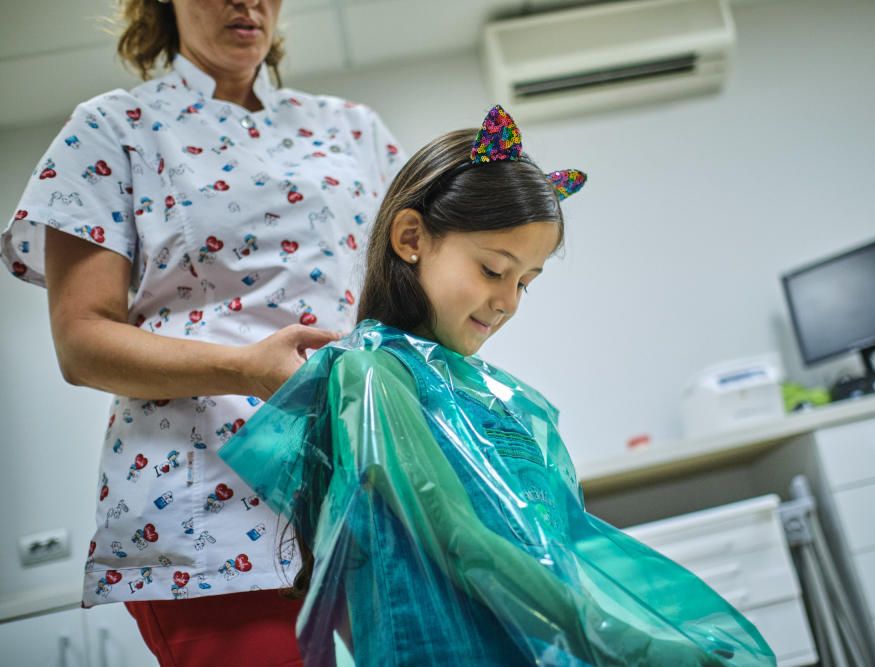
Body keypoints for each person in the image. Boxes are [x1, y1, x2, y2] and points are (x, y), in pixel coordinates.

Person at [220, 105, 776, 666]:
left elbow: (548, 546)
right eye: (493, 270)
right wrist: (629, 642)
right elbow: (463, 542)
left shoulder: (474, 391)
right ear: (411, 237)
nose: (508, 301)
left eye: (525, 283)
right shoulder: (373, 374)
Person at [1, 0, 405, 663]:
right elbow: (81, 339)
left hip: (368, 487)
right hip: (209, 507)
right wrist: (246, 368)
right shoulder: (112, 128)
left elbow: (412, 291)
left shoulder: (354, 129)